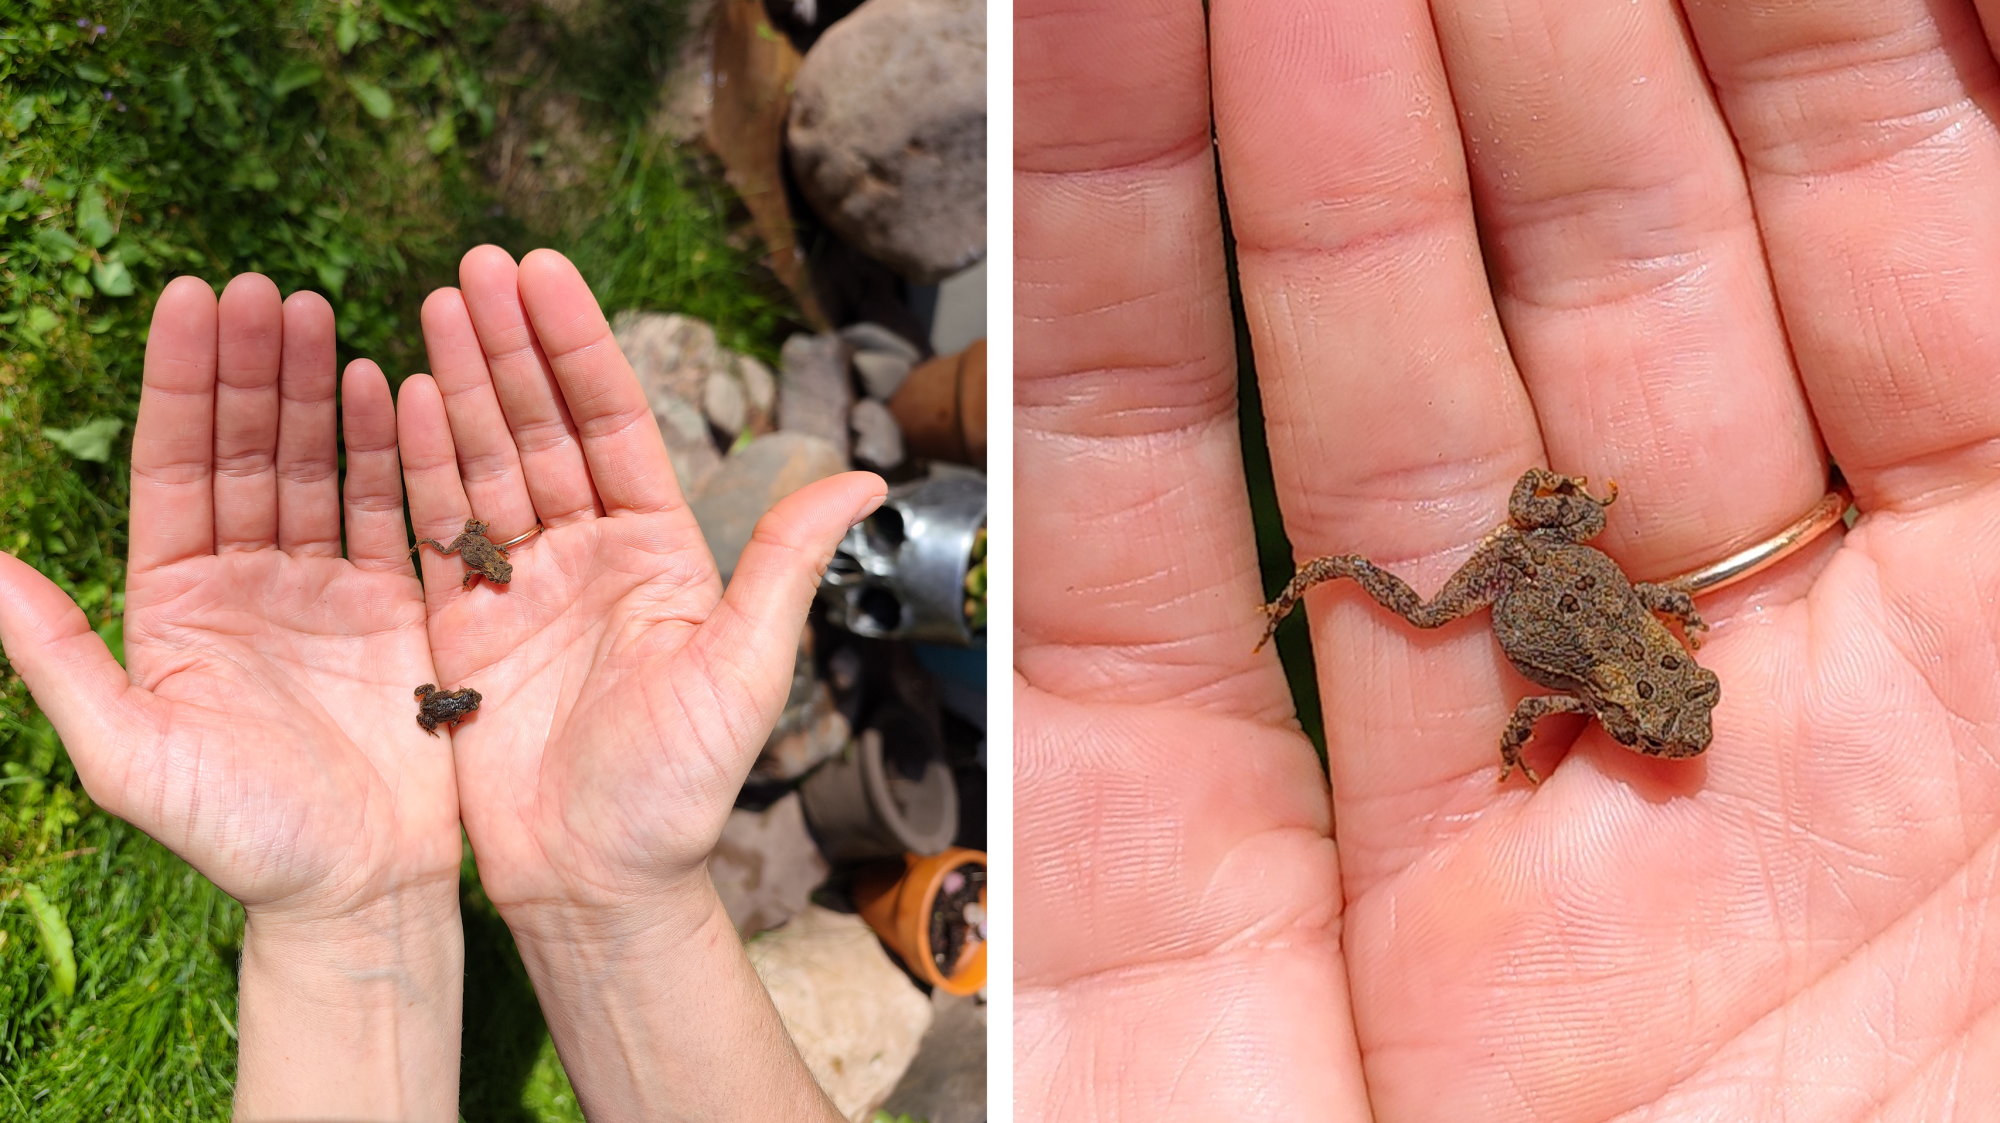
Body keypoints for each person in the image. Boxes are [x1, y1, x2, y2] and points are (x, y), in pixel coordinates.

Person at [1017, 0, 2000, 1118]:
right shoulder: (1599, 676)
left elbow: (1589, 655)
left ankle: (1333, 570)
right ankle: (1324, 569)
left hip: (1550, 558)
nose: (1673, 717)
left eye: (1671, 708)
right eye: (1672, 705)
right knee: (1431, 619)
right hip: (1530, 560)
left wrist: (1613, 642)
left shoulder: (1611, 668)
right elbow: (1527, 707)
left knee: (1454, 613)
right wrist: (1528, 738)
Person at [0, 246, 885, 1120]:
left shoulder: (474, 598)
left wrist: (609, 895)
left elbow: (458, 658)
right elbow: (447, 676)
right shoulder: (462, 612)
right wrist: (607, 904)